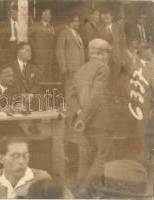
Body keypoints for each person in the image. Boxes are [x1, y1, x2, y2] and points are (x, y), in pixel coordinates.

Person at [66, 38, 113, 198]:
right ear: (99, 53)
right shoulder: (103, 68)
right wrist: (84, 117)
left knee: (85, 156)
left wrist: (79, 112)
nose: (107, 55)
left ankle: (79, 189)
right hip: (99, 120)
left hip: (83, 122)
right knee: (102, 154)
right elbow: (96, 95)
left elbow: (70, 95)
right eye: (106, 52)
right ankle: (85, 190)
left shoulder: (80, 69)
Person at [56, 13, 85, 97]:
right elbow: (59, 51)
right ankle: (68, 107)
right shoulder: (63, 33)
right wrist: (63, 67)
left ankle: (74, 107)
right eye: (75, 21)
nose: (78, 23)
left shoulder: (78, 35)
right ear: (70, 23)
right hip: (70, 68)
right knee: (69, 89)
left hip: (79, 68)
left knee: (76, 89)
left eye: (78, 21)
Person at [99, 8, 126, 96]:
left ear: (112, 18)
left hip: (117, 57)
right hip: (106, 58)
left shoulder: (117, 27)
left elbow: (123, 44)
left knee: (116, 77)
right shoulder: (100, 29)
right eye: (104, 19)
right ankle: (108, 96)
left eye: (108, 18)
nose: (106, 21)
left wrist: (123, 58)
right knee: (107, 77)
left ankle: (115, 96)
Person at [29, 9, 57, 82]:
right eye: (46, 14)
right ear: (42, 15)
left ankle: (47, 92)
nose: (49, 16)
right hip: (39, 57)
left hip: (50, 58)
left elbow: (53, 42)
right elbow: (28, 38)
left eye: (49, 14)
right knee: (39, 77)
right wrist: (35, 48)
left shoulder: (51, 27)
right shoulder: (35, 25)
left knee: (49, 77)